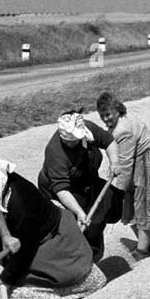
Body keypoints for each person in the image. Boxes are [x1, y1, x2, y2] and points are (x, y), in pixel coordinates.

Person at [0, 153, 106, 299]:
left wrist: (7, 276)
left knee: (30, 285)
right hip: (27, 240)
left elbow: (27, 244)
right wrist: (4, 260)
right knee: (19, 284)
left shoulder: (19, 199)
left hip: (51, 236)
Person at [95, 90, 150, 257]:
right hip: (136, 161)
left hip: (146, 161)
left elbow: (125, 165)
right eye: (102, 116)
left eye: (108, 114)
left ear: (117, 110)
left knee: (141, 204)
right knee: (128, 207)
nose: (106, 119)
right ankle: (145, 243)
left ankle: (143, 250)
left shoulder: (123, 130)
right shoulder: (117, 123)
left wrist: (116, 194)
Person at [36, 109, 117, 258]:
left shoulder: (87, 128)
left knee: (109, 202)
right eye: (69, 140)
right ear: (62, 137)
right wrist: (79, 212)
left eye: (76, 139)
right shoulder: (55, 152)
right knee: (80, 223)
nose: (73, 143)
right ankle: (78, 258)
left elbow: (109, 141)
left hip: (87, 180)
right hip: (65, 190)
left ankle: (94, 250)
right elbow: (62, 190)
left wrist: (114, 162)